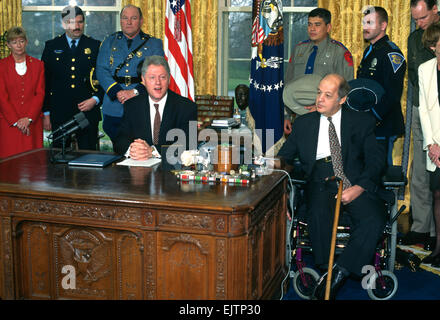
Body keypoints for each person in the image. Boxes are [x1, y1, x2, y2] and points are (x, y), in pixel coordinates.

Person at [276, 74, 386, 300]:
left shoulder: (361, 122)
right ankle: (327, 267)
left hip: (353, 180)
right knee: (317, 214)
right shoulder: (304, 124)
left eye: (328, 95)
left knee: (374, 219)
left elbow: (376, 160)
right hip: (320, 180)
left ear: (342, 99)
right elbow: (284, 160)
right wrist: (281, 192)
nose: (320, 99)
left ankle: (338, 273)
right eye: (319, 93)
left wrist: (359, 188)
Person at [401, 0, 439, 250]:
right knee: (421, 173)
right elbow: (414, 77)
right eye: (415, 19)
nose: (419, 24)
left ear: (436, 9)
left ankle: (437, 233)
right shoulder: (415, 38)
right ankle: (422, 229)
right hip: (420, 109)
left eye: (423, 18)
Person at [96, 4, 164, 143]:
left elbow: (158, 74)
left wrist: (134, 92)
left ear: (141, 21)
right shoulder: (109, 41)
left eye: (133, 18)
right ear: (120, 20)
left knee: (141, 149)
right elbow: (101, 70)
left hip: (142, 105)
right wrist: (117, 92)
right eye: (125, 18)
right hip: (114, 104)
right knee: (117, 149)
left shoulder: (153, 43)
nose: (128, 22)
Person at [41, 6, 103, 150]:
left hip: (87, 112)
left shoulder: (94, 46)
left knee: (88, 158)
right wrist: (46, 113)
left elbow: (104, 78)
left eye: (80, 22)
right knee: (58, 158)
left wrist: (95, 100)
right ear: (64, 24)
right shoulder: (52, 46)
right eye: (72, 23)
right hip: (60, 112)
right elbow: (45, 82)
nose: (76, 26)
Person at [113, 55, 197, 161]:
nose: (158, 82)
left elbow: (190, 144)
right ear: (143, 80)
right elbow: (119, 140)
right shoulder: (131, 106)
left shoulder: (187, 107)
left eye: (162, 77)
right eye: (152, 77)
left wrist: (153, 151)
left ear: (169, 79)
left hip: (170, 171)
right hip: (139, 170)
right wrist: (132, 149)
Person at [283, 8, 354, 134]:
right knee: (300, 152)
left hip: (327, 118)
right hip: (299, 116)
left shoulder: (339, 52)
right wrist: (286, 115)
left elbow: (346, 90)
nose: (312, 29)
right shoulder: (299, 49)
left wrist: (319, 107)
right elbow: (288, 83)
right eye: (309, 24)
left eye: (317, 25)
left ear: (328, 27)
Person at [357, 6, 406, 165]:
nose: (365, 27)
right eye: (364, 23)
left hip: (382, 125)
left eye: (370, 22)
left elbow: (392, 94)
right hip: (367, 124)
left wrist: (372, 118)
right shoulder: (369, 51)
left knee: (380, 174)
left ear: (383, 25)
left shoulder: (391, 53)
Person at [0, 26, 45, 158]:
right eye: (14, 42)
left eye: (21, 41)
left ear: (26, 42)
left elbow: (40, 93)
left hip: (33, 123)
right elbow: (2, 97)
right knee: (9, 165)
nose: (18, 45)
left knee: (33, 164)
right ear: (8, 45)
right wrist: (16, 121)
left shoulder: (38, 65)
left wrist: (29, 118)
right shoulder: (1, 66)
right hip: (9, 124)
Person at [418, 22, 440, 267]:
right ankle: (438, 248)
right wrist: (432, 144)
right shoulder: (425, 69)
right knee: (437, 195)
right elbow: (424, 109)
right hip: (434, 145)